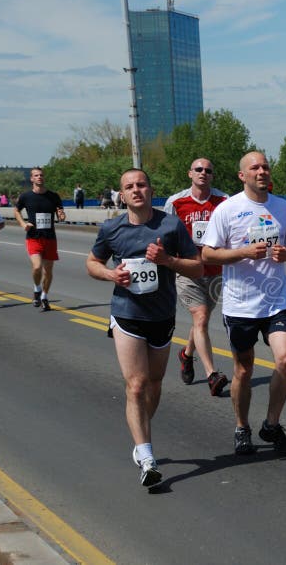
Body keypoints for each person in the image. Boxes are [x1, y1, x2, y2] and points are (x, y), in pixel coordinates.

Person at [86, 168, 202, 487]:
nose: (136, 190)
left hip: (162, 316)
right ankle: (147, 455)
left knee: (153, 384)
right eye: (129, 187)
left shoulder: (170, 224)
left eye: (141, 185)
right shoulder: (112, 228)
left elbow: (197, 266)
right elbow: (92, 264)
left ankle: (141, 434)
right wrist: (111, 275)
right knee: (136, 385)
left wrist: (168, 261)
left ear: (151, 190)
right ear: (122, 195)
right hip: (127, 313)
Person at [201, 151, 286, 457]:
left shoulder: (283, 207)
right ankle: (241, 426)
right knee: (244, 371)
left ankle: (271, 425)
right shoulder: (227, 209)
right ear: (242, 176)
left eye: (265, 166)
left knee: (285, 360)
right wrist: (243, 252)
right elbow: (208, 254)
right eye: (254, 167)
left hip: (276, 302)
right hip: (240, 306)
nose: (261, 171)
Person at [164, 158, 229, 396]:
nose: (203, 173)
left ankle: (186, 354)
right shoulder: (176, 201)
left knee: (201, 321)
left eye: (208, 170)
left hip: (214, 271)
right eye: (199, 169)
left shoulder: (224, 201)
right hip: (187, 270)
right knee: (200, 317)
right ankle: (213, 375)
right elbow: (166, 233)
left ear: (212, 176)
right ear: (190, 173)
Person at [14, 167, 66, 311]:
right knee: (37, 266)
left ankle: (44, 296)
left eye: (41, 175)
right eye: (36, 175)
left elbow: (60, 213)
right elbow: (16, 210)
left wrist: (61, 216)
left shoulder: (53, 196)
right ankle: (37, 289)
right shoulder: (26, 196)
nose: (39, 177)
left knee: (48, 271)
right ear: (31, 179)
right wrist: (23, 224)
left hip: (50, 237)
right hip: (33, 237)